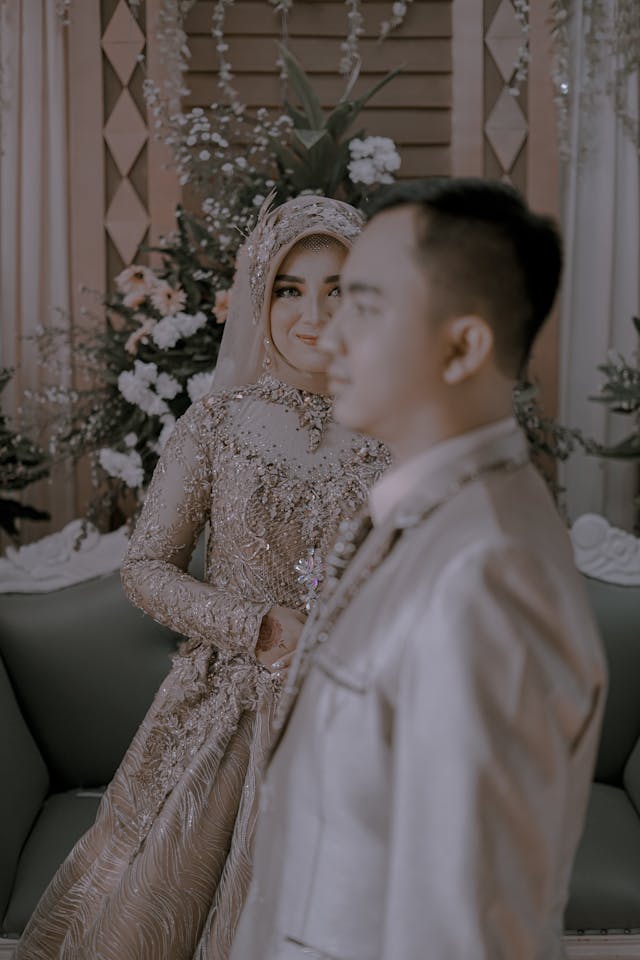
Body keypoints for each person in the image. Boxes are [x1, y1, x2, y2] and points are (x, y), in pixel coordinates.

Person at [230, 178, 608, 960]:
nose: (326, 334)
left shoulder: (487, 572)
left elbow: (464, 927)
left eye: (363, 304)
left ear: (463, 346)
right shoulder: (426, 510)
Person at [15, 195, 389, 960]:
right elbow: (146, 569)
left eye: (339, 288)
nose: (313, 314)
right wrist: (256, 627)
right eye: (289, 289)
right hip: (226, 714)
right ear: (259, 297)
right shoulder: (216, 425)